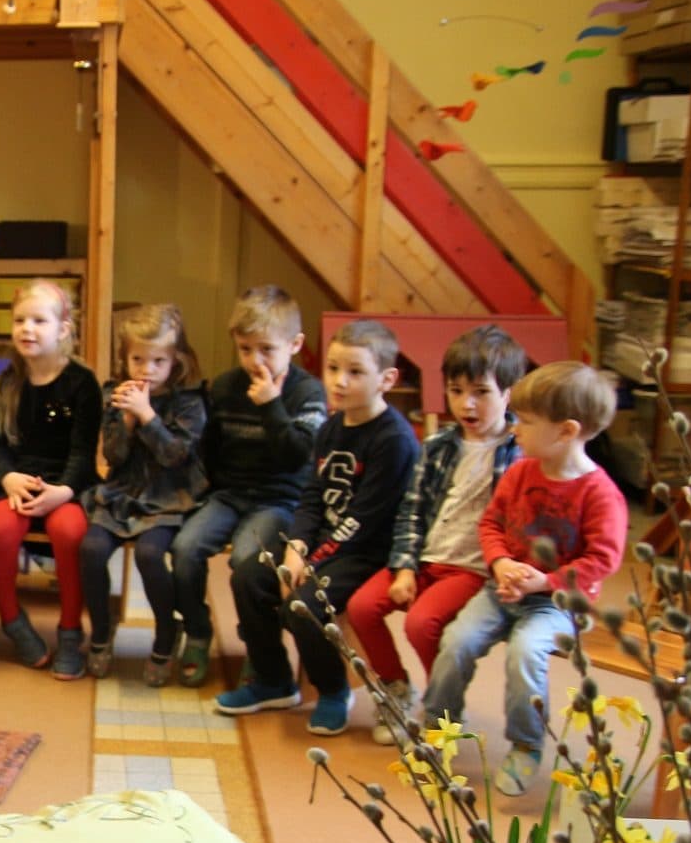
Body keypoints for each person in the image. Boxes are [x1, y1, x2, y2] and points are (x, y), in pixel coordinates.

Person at [423, 360, 628, 796]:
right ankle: (439, 726)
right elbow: (491, 525)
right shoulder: (519, 472)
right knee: (456, 642)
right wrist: (498, 564)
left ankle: (526, 745)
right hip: (501, 588)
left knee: (525, 653)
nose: (514, 429)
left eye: (525, 421)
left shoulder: (600, 493)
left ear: (567, 431)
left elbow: (602, 560)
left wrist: (544, 581)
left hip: (556, 603)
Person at [215, 320, 418, 735]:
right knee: (250, 575)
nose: (340, 382)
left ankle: (333, 691)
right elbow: (311, 498)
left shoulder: (393, 439)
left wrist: (315, 560)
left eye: (356, 372)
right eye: (333, 369)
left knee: (301, 607)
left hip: (366, 554)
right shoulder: (331, 427)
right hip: (326, 545)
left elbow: (364, 519)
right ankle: (273, 680)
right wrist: (298, 548)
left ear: (387, 378)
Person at [343, 325, 524, 744]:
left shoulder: (519, 453)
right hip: (426, 558)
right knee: (362, 607)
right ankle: (396, 688)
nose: (467, 404)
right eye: (456, 391)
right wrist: (404, 567)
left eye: (481, 392)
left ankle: (442, 704)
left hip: (471, 568)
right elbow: (412, 510)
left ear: (509, 393)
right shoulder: (440, 444)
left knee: (422, 624)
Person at [170, 285, 328, 689]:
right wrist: (199, 497)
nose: (254, 361)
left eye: (266, 350)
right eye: (244, 349)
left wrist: (272, 406)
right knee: (185, 549)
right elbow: (209, 450)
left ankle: (258, 644)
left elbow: (300, 456)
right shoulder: (224, 387)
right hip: (229, 495)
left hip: (280, 500)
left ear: (294, 345)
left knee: (247, 559)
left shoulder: (307, 393)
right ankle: (198, 630)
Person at [77, 304, 209, 683]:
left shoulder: (189, 401)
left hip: (169, 494)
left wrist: (148, 418)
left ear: (175, 360)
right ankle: (102, 632)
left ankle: (167, 633)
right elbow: (112, 455)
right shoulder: (115, 394)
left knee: (150, 555)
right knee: (91, 549)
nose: (146, 369)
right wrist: (128, 422)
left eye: (157, 361)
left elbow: (175, 456)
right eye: (137, 359)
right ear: (125, 357)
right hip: (122, 491)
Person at [0, 280, 103, 678]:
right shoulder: (7, 380)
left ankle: (70, 632)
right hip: (18, 482)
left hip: (64, 485)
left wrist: (64, 491)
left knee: (70, 532)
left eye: (39, 320)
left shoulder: (82, 383)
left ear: (63, 330)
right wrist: (8, 477)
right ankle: (13, 621)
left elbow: (85, 452)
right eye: (19, 320)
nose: (27, 329)